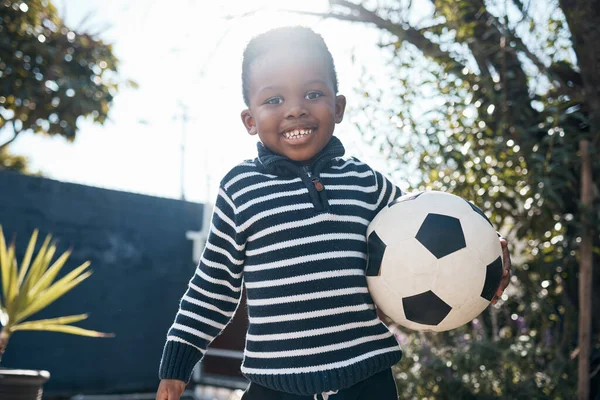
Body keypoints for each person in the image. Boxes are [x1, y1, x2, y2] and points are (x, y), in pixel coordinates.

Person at [155, 26, 512, 400]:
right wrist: (179, 361)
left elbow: (428, 230)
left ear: (338, 107)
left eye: (313, 93)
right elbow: (213, 285)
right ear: (249, 120)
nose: (295, 108)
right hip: (274, 383)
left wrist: (486, 254)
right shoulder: (240, 188)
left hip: (365, 378)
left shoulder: (365, 182)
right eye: (274, 99)